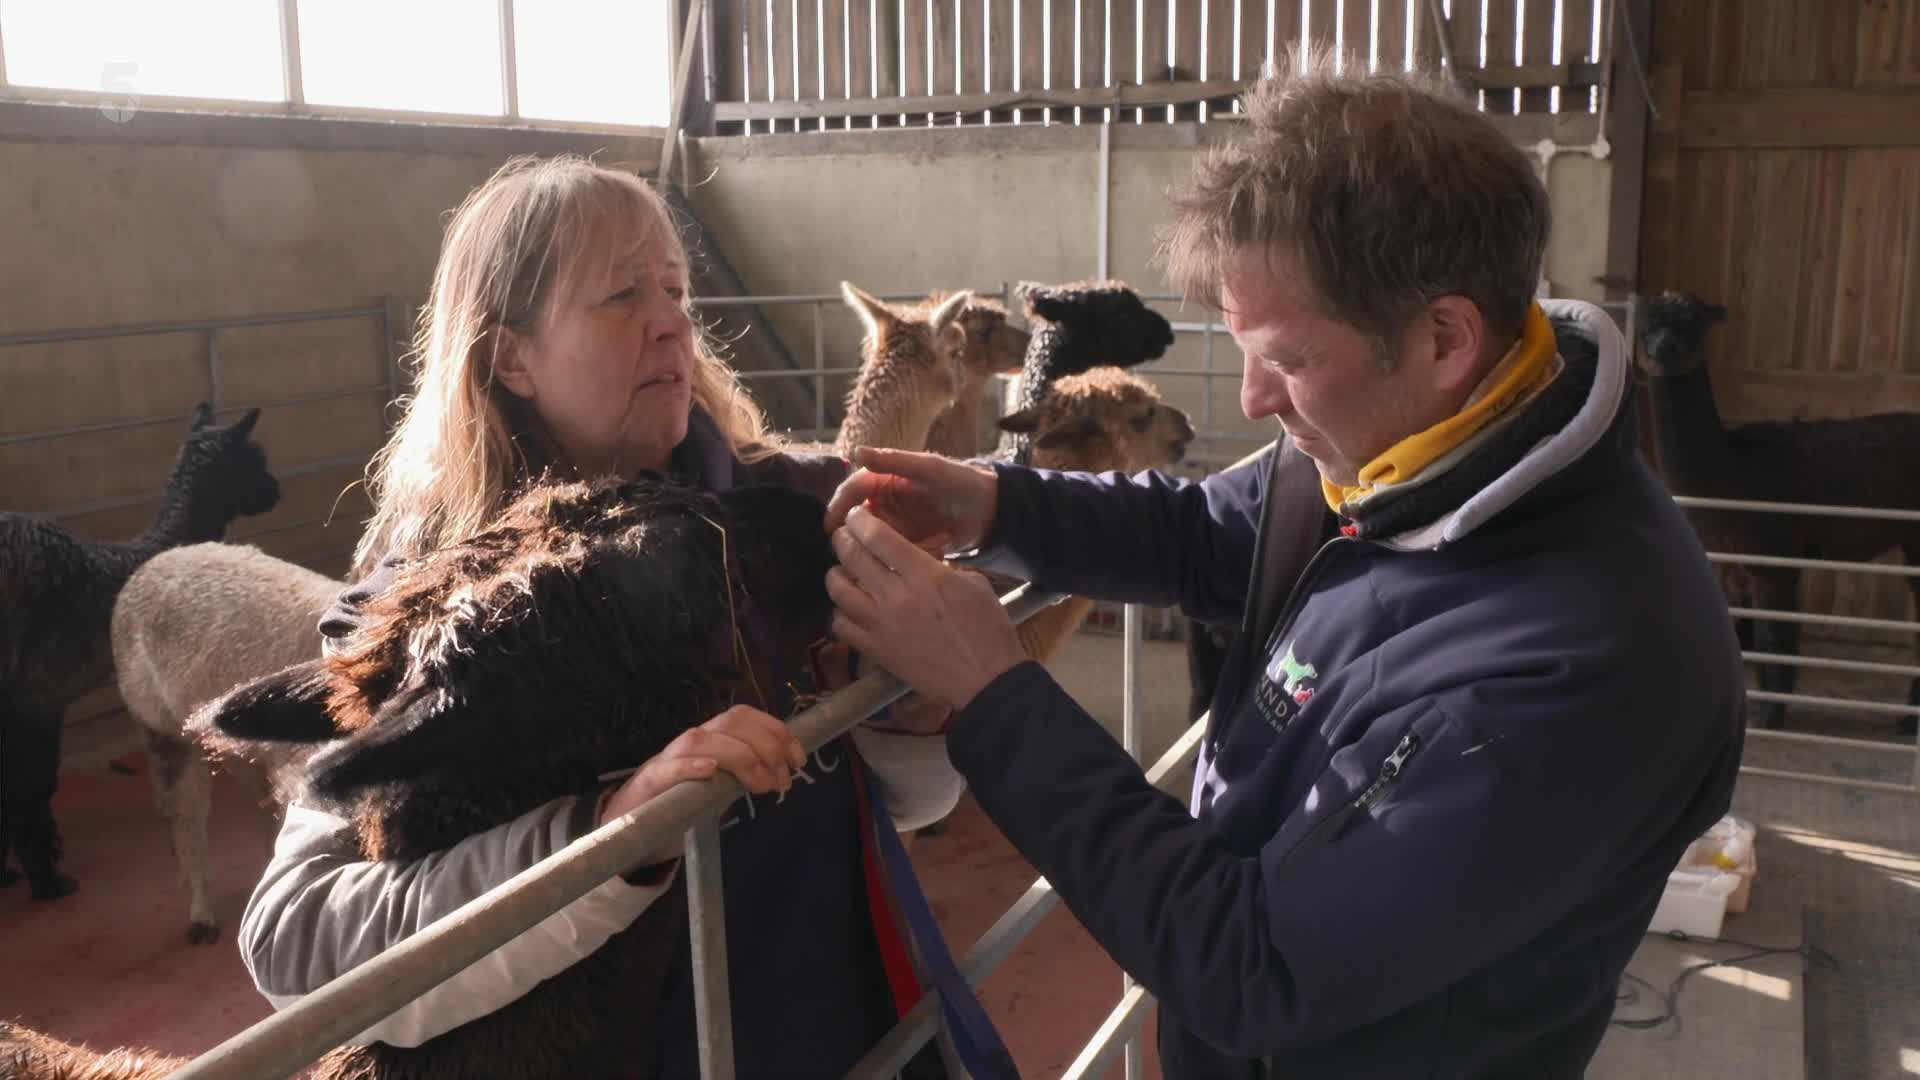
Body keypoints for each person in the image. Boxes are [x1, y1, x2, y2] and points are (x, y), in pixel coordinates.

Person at [813, 51, 1746, 1080]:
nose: (1251, 398)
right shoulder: (1399, 450)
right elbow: (1212, 534)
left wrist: (992, 693)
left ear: (1445, 337)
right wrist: (993, 500)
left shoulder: (1588, 671)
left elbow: (1257, 967)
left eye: (1288, 359)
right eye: (1240, 345)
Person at [237, 154, 963, 1079]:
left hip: (839, 1024)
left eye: (676, 288)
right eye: (622, 296)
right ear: (510, 356)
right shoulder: (431, 613)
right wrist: (611, 835)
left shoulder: (771, 517)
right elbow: (296, 945)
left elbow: (912, 801)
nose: (671, 323)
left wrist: (905, 705)